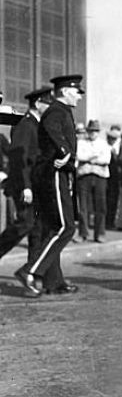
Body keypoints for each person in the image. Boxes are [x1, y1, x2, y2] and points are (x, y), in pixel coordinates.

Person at [15, 74, 85, 297]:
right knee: (66, 227)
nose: (79, 97)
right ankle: (30, 271)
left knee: (53, 228)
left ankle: (53, 282)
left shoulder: (61, 110)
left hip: (56, 174)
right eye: (76, 92)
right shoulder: (57, 110)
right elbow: (51, 128)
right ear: (65, 91)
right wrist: (65, 152)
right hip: (54, 173)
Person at [0, 88, 51, 269]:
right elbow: (18, 157)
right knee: (25, 224)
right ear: (38, 104)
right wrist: (26, 186)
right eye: (48, 104)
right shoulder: (25, 124)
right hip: (25, 186)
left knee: (36, 229)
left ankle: (32, 272)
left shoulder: (37, 125)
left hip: (35, 185)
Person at [76, 120, 111, 243]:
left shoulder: (104, 144)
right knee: (83, 206)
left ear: (98, 132)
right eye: (91, 131)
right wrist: (93, 157)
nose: (93, 133)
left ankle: (100, 233)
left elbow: (106, 159)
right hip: (84, 175)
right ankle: (83, 233)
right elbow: (79, 156)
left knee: (100, 206)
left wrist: (91, 159)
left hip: (100, 176)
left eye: (95, 131)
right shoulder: (81, 143)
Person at [106, 125, 122, 229]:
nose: (112, 139)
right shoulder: (105, 146)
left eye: (115, 137)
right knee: (107, 200)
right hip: (107, 176)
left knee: (116, 200)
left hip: (119, 177)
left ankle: (114, 222)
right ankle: (107, 221)